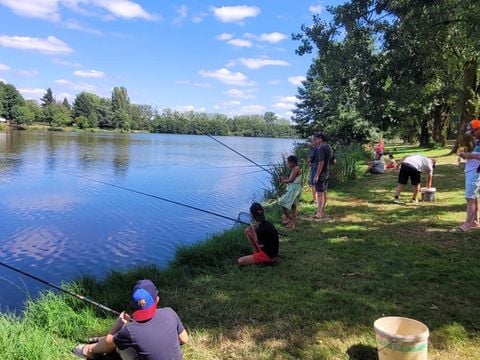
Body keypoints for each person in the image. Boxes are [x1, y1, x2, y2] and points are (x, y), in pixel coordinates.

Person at [73, 279, 188, 360]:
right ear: (157, 300)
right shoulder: (170, 312)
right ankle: (96, 341)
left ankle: (87, 350)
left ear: (132, 304)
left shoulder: (130, 330)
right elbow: (184, 340)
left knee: (117, 343)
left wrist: (118, 324)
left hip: (120, 339)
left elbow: (109, 342)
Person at [456, 119, 480, 232]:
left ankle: (467, 224)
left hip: (475, 172)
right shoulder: (478, 140)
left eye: (473, 131)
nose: (472, 134)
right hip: (472, 170)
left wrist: (467, 155)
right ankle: (475, 221)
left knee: (470, 198)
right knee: (474, 197)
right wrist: (466, 155)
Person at [238, 202, 279, 266]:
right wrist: (254, 228)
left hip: (269, 255)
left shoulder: (260, 229)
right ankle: (256, 254)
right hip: (272, 251)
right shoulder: (267, 223)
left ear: (252, 215)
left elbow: (258, 242)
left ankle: (263, 260)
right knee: (248, 231)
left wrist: (253, 229)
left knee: (240, 261)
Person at [278, 155, 302, 228]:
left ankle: (291, 221)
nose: (288, 164)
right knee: (292, 206)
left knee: (283, 203)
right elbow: (292, 180)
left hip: (294, 189)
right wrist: (284, 179)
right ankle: (290, 220)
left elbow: (291, 180)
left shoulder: (296, 168)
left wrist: (283, 180)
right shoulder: (295, 168)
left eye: (288, 163)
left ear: (292, 162)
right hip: (294, 188)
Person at [313, 133, 334, 219]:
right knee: (324, 192)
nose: (315, 140)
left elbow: (321, 162)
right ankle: (322, 211)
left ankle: (319, 213)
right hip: (327, 173)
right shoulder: (329, 147)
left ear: (321, 139)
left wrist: (317, 175)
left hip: (321, 174)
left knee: (319, 194)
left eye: (316, 139)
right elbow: (333, 161)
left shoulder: (321, 147)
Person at [307, 136, 318, 203]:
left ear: (315, 141)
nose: (311, 142)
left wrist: (308, 162)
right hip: (318, 168)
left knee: (313, 184)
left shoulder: (314, 149)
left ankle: (315, 199)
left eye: (312, 141)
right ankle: (317, 198)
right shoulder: (320, 148)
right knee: (316, 184)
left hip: (314, 168)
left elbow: (309, 159)